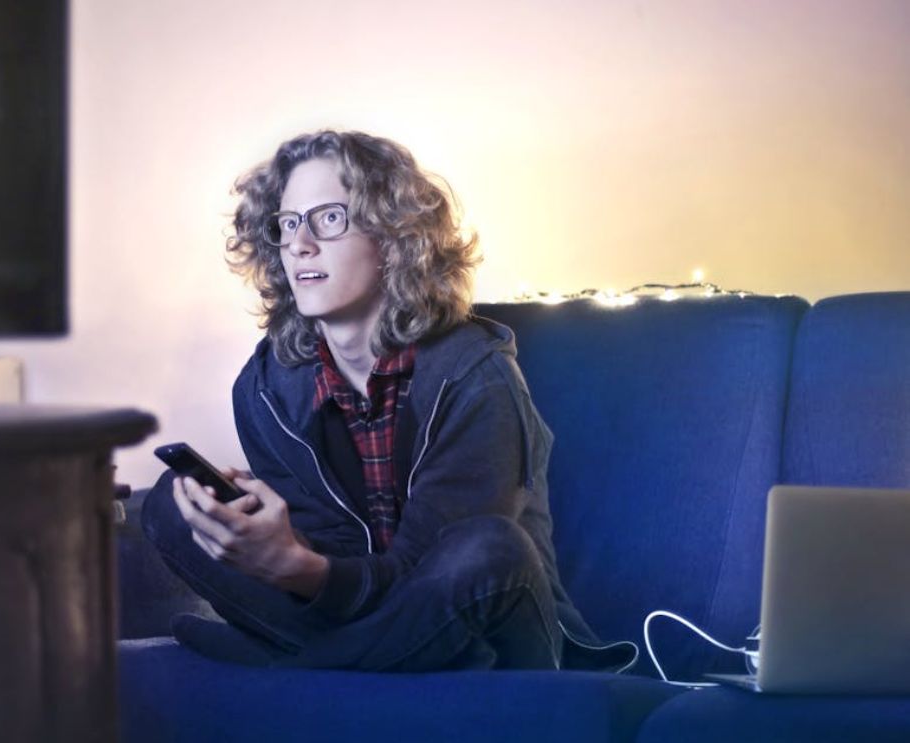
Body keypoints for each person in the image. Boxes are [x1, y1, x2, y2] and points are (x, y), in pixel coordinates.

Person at [142, 130, 635, 672]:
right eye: (288, 223)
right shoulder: (267, 389)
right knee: (172, 501)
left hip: (485, 637)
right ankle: (342, 664)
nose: (300, 244)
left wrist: (294, 567)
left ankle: (305, 665)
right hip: (354, 617)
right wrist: (276, 544)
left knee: (491, 549)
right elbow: (335, 569)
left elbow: (427, 574)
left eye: (329, 218)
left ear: (394, 238)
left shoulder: (476, 379)